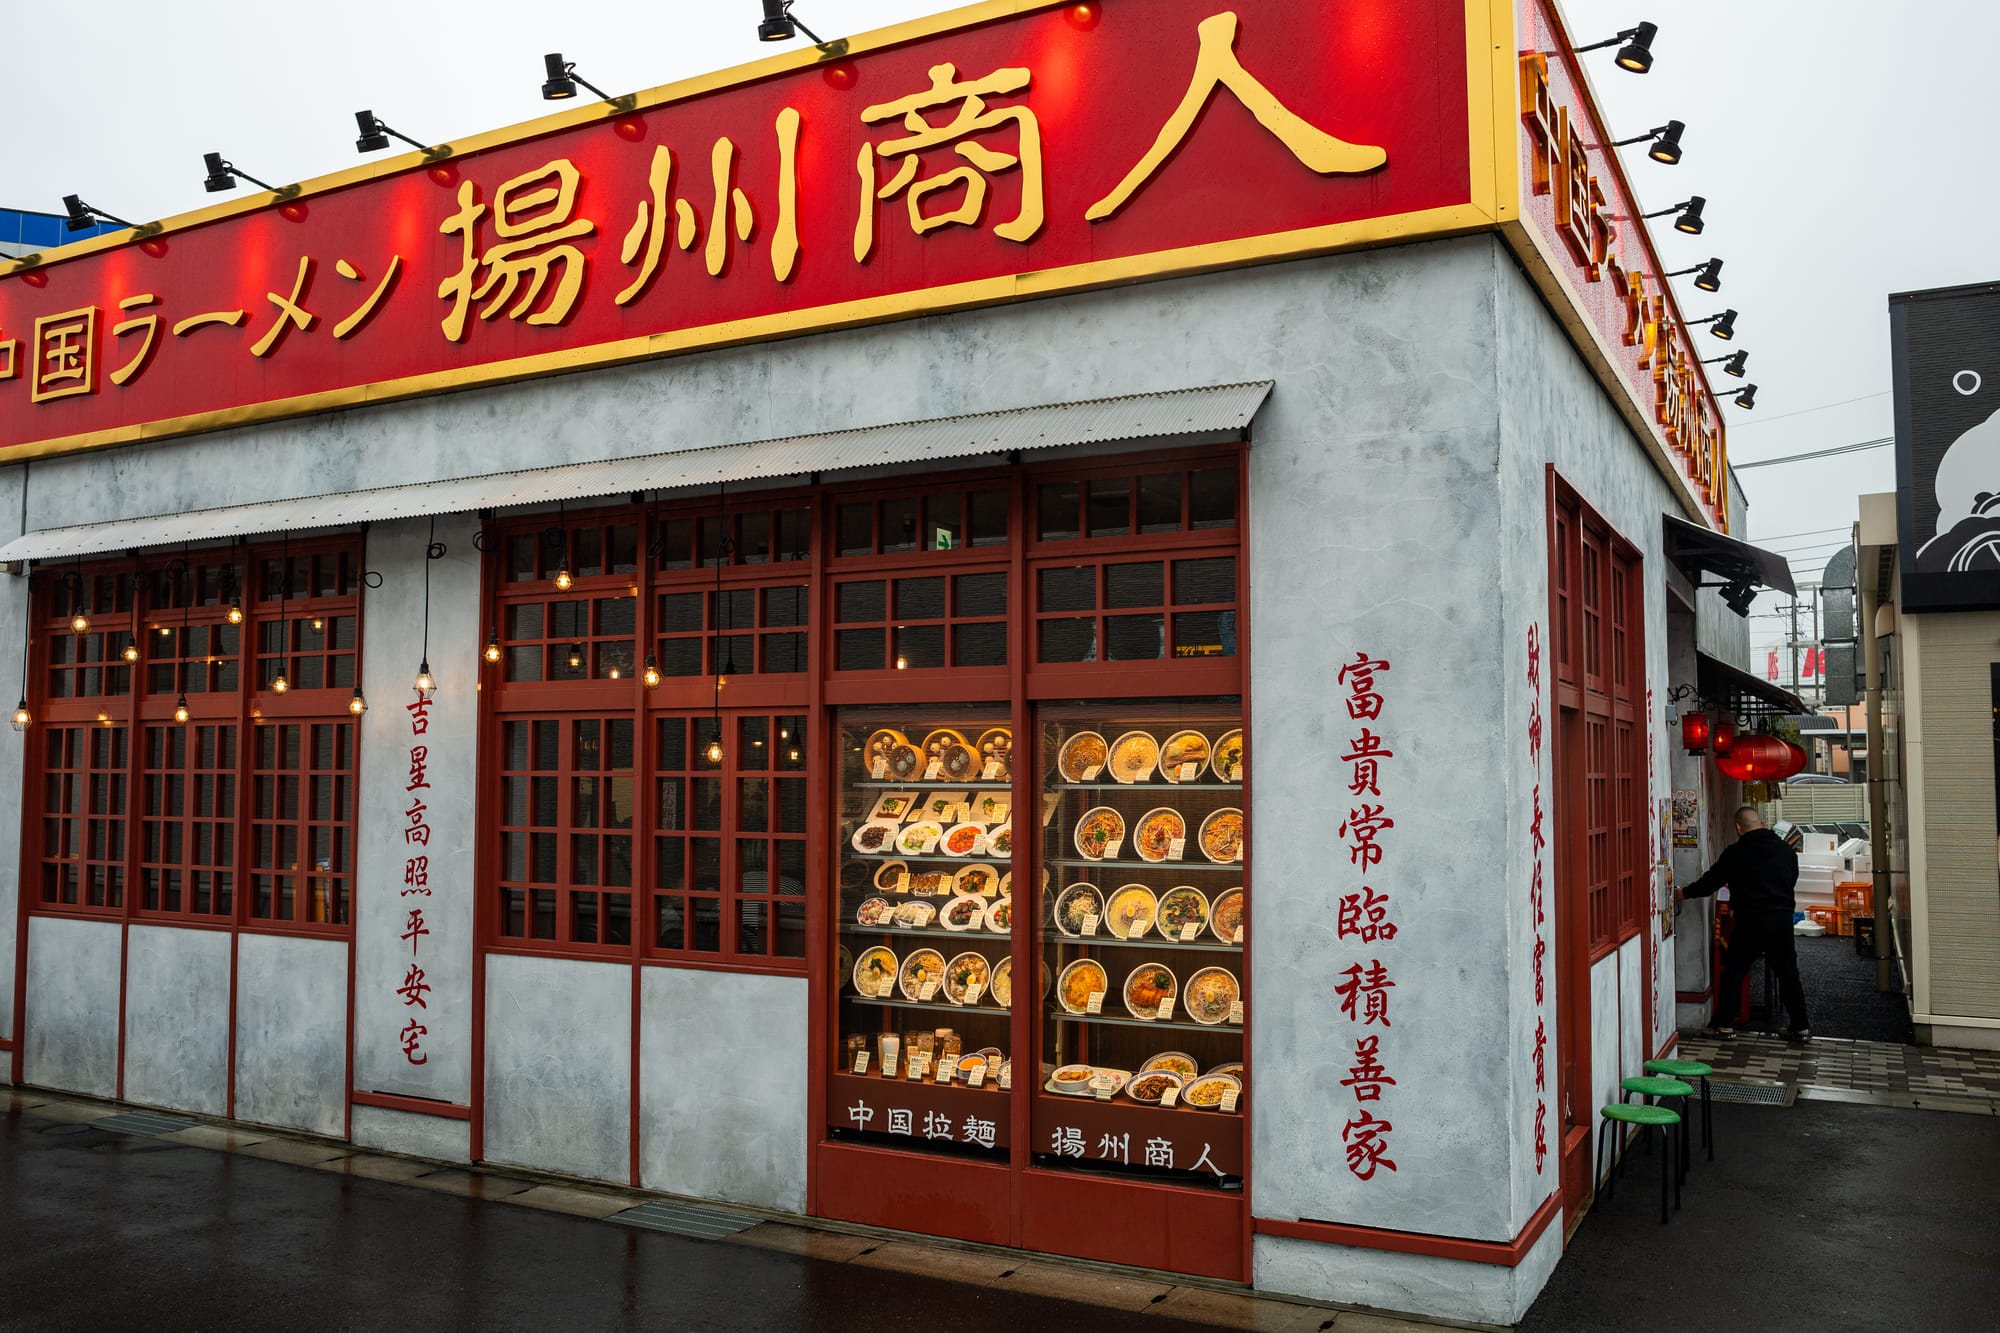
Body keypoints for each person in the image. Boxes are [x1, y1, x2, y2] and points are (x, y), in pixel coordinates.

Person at [1678, 805, 1811, 1043]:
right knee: (1788, 974)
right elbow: (1792, 879)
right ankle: (1800, 1027)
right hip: (1781, 921)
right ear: (1762, 823)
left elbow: (1711, 882)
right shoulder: (1785, 851)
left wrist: (1684, 893)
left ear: (1738, 828)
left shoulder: (1736, 853)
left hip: (1750, 921)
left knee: (1735, 971)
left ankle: (1724, 1026)